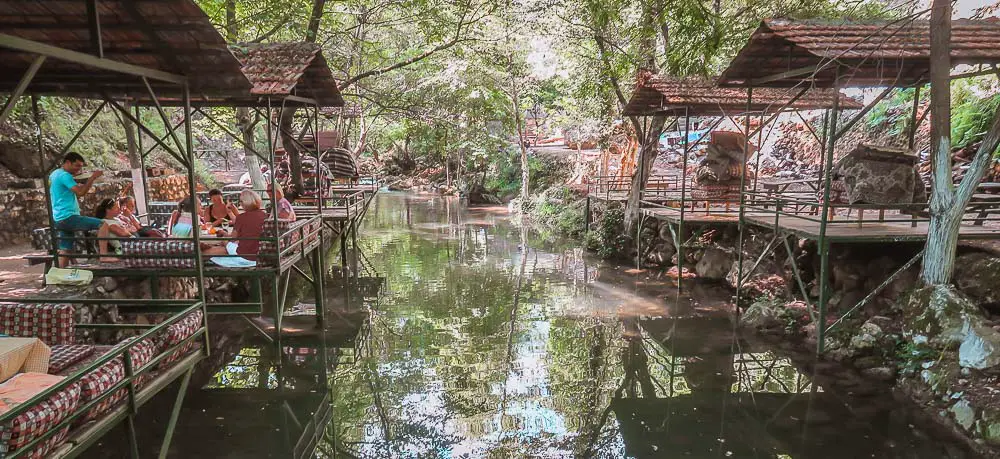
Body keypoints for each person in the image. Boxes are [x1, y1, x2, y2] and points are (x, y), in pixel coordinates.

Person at [50, 152, 106, 267]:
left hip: (58, 217)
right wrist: (93, 177)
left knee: (65, 249)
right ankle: (104, 255)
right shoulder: (65, 176)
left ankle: (60, 274)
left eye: (80, 167)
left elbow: (65, 190)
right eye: (77, 166)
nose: (78, 169)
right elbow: (80, 193)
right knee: (103, 224)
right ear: (67, 162)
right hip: (68, 216)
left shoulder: (54, 174)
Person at [227, 189, 268, 261]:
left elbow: (233, 238)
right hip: (261, 253)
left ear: (244, 203)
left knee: (225, 243)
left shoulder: (241, 218)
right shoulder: (265, 215)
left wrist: (224, 234)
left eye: (240, 201)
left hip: (245, 255)